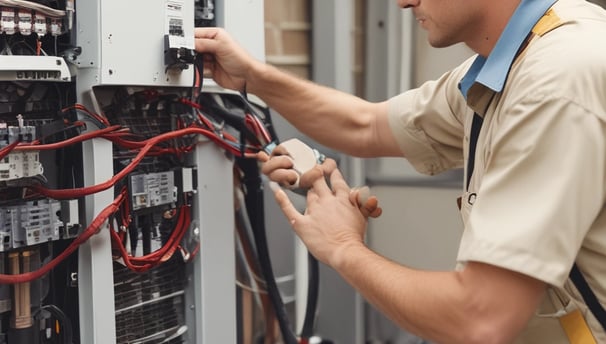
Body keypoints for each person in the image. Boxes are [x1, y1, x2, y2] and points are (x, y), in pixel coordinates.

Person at [194, 0, 606, 341]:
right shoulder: (514, 62)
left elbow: (480, 317)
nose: (402, 2)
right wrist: (253, 76)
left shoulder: (555, 78)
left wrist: (343, 246)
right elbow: (365, 125)